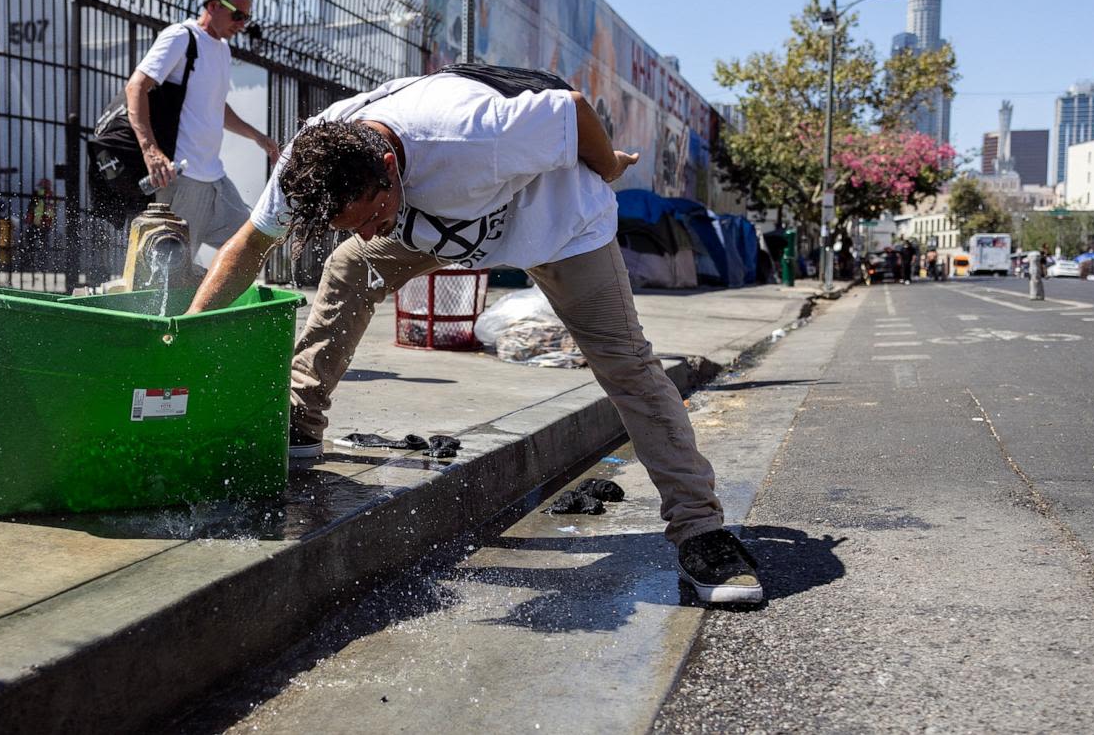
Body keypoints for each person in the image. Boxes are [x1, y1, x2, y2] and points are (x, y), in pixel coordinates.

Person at [186, 65, 763, 604]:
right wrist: (181, 338)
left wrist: (608, 165)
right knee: (349, 266)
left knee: (627, 366)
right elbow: (247, 248)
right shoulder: (312, 162)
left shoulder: (470, 134)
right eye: (350, 224)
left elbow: (572, 107)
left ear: (388, 165)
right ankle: (301, 420)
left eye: (370, 216)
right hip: (441, 229)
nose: (366, 231)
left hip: (561, 228)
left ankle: (700, 531)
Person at [125, 0, 279, 255]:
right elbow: (136, 87)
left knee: (251, 245)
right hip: (184, 177)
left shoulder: (222, 49)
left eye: (247, 18)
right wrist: (150, 151)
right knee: (171, 270)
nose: (242, 24)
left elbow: (216, 106)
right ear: (213, 5)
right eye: (238, 15)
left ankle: (210, 297)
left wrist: (258, 137)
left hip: (215, 178)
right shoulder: (181, 37)